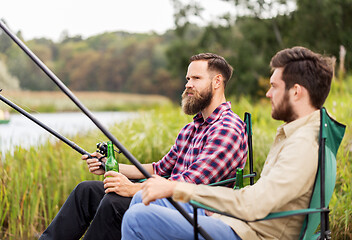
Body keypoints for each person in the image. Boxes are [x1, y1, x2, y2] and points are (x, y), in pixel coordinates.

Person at [121, 46, 334, 240]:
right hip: (241, 223)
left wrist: (177, 188)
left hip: (251, 234)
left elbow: (254, 204)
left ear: (296, 91)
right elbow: (262, 196)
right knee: (146, 201)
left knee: (138, 217)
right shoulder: (299, 135)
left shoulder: (303, 145)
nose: (268, 93)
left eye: (274, 86)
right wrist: (217, 206)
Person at [39, 53, 248, 240]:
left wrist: (132, 189)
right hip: (167, 199)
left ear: (217, 82)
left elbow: (188, 183)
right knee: (86, 191)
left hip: (195, 210)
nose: (188, 84)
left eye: (196, 78)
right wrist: (110, 167)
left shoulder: (227, 128)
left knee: (113, 203)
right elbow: (159, 169)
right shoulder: (191, 129)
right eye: (187, 79)